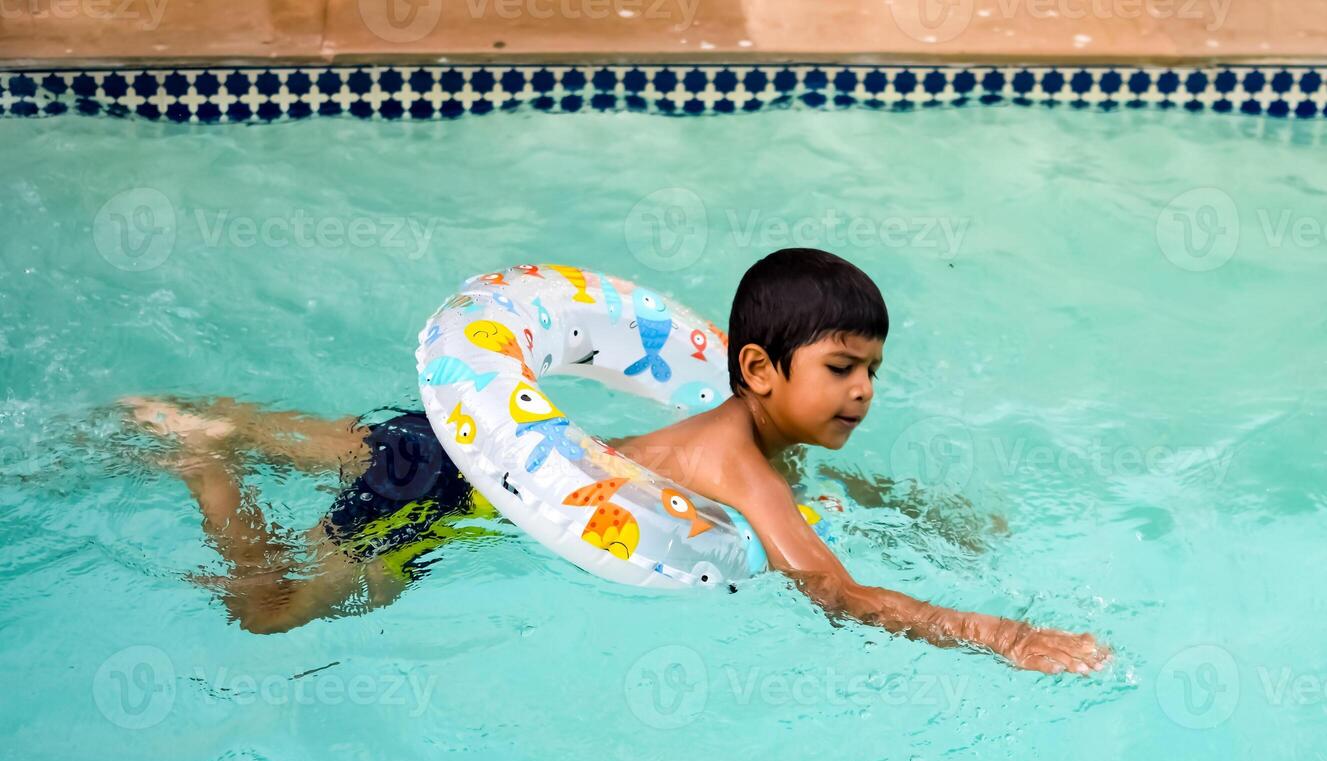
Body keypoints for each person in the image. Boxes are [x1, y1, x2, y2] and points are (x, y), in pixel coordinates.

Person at [121, 247, 1109, 675]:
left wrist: (916, 507)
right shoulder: (747, 472)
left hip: (459, 442)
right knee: (270, 614)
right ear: (757, 368)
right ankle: (208, 463)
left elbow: (826, 498)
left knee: (379, 444)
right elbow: (835, 593)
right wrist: (994, 632)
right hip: (456, 499)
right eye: (843, 368)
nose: (862, 392)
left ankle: (226, 422)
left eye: (873, 372)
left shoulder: (757, 438)